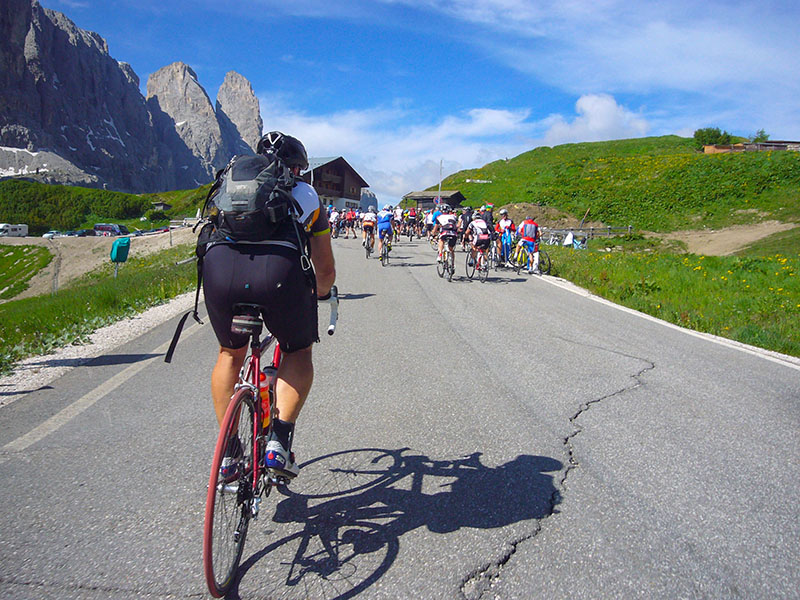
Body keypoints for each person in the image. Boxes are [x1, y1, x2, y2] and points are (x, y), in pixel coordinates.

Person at [202, 131, 335, 479]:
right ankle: (278, 444)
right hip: (278, 276)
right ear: (298, 168)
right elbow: (324, 269)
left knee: (229, 354)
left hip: (220, 270)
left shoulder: (228, 185)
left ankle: (229, 453)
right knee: (298, 351)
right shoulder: (307, 194)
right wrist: (322, 293)